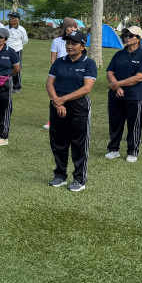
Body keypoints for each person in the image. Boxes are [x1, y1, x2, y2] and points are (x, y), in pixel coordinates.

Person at [46, 30, 97, 192]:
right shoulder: (59, 62)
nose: (69, 46)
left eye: (74, 43)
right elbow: (49, 84)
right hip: (57, 106)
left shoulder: (89, 63)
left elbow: (87, 88)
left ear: (83, 46)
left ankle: (79, 179)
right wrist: (57, 102)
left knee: (78, 144)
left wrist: (63, 99)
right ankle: (60, 175)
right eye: (67, 43)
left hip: (78, 107)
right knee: (58, 142)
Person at [105, 26, 142, 163]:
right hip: (116, 94)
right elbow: (110, 72)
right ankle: (113, 149)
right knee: (115, 122)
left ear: (138, 39)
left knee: (134, 124)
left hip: (134, 96)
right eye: (125, 35)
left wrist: (118, 84)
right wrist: (116, 87)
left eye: (130, 35)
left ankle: (132, 151)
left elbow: (139, 77)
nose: (126, 37)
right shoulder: (119, 54)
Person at [5, 12, 28, 91]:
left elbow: (25, 40)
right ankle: (5, 84)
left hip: (17, 50)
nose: (10, 19)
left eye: (12, 18)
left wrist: (18, 46)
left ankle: (17, 86)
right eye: (10, 18)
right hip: (6, 50)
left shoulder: (22, 29)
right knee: (6, 67)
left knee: (17, 68)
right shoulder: (5, 28)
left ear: (17, 20)